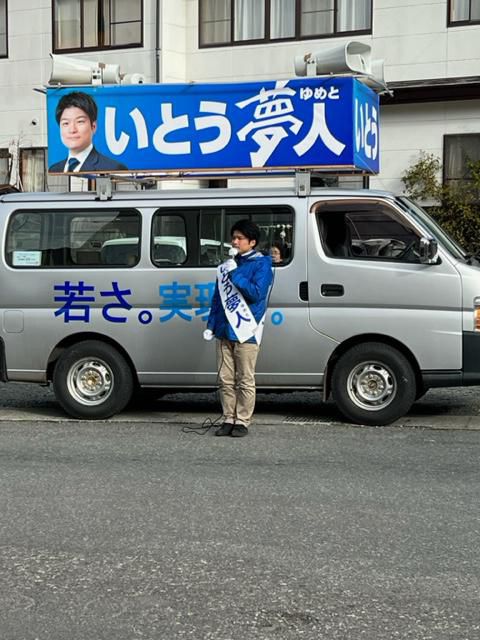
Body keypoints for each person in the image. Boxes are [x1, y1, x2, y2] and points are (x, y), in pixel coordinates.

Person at [204, 220, 273, 438]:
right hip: (224, 329)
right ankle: (228, 418)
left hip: (246, 330)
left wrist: (236, 274)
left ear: (252, 242)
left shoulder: (263, 265)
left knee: (244, 378)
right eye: (233, 237)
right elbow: (218, 299)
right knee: (225, 378)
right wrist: (211, 325)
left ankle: (242, 420)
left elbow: (256, 293)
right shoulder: (227, 266)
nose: (235, 241)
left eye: (240, 238)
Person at [49, 91, 127, 173]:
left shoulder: (113, 168)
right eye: (66, 123)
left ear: (93, 126)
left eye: (80, 121)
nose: (72, 130)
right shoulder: (54, 169)